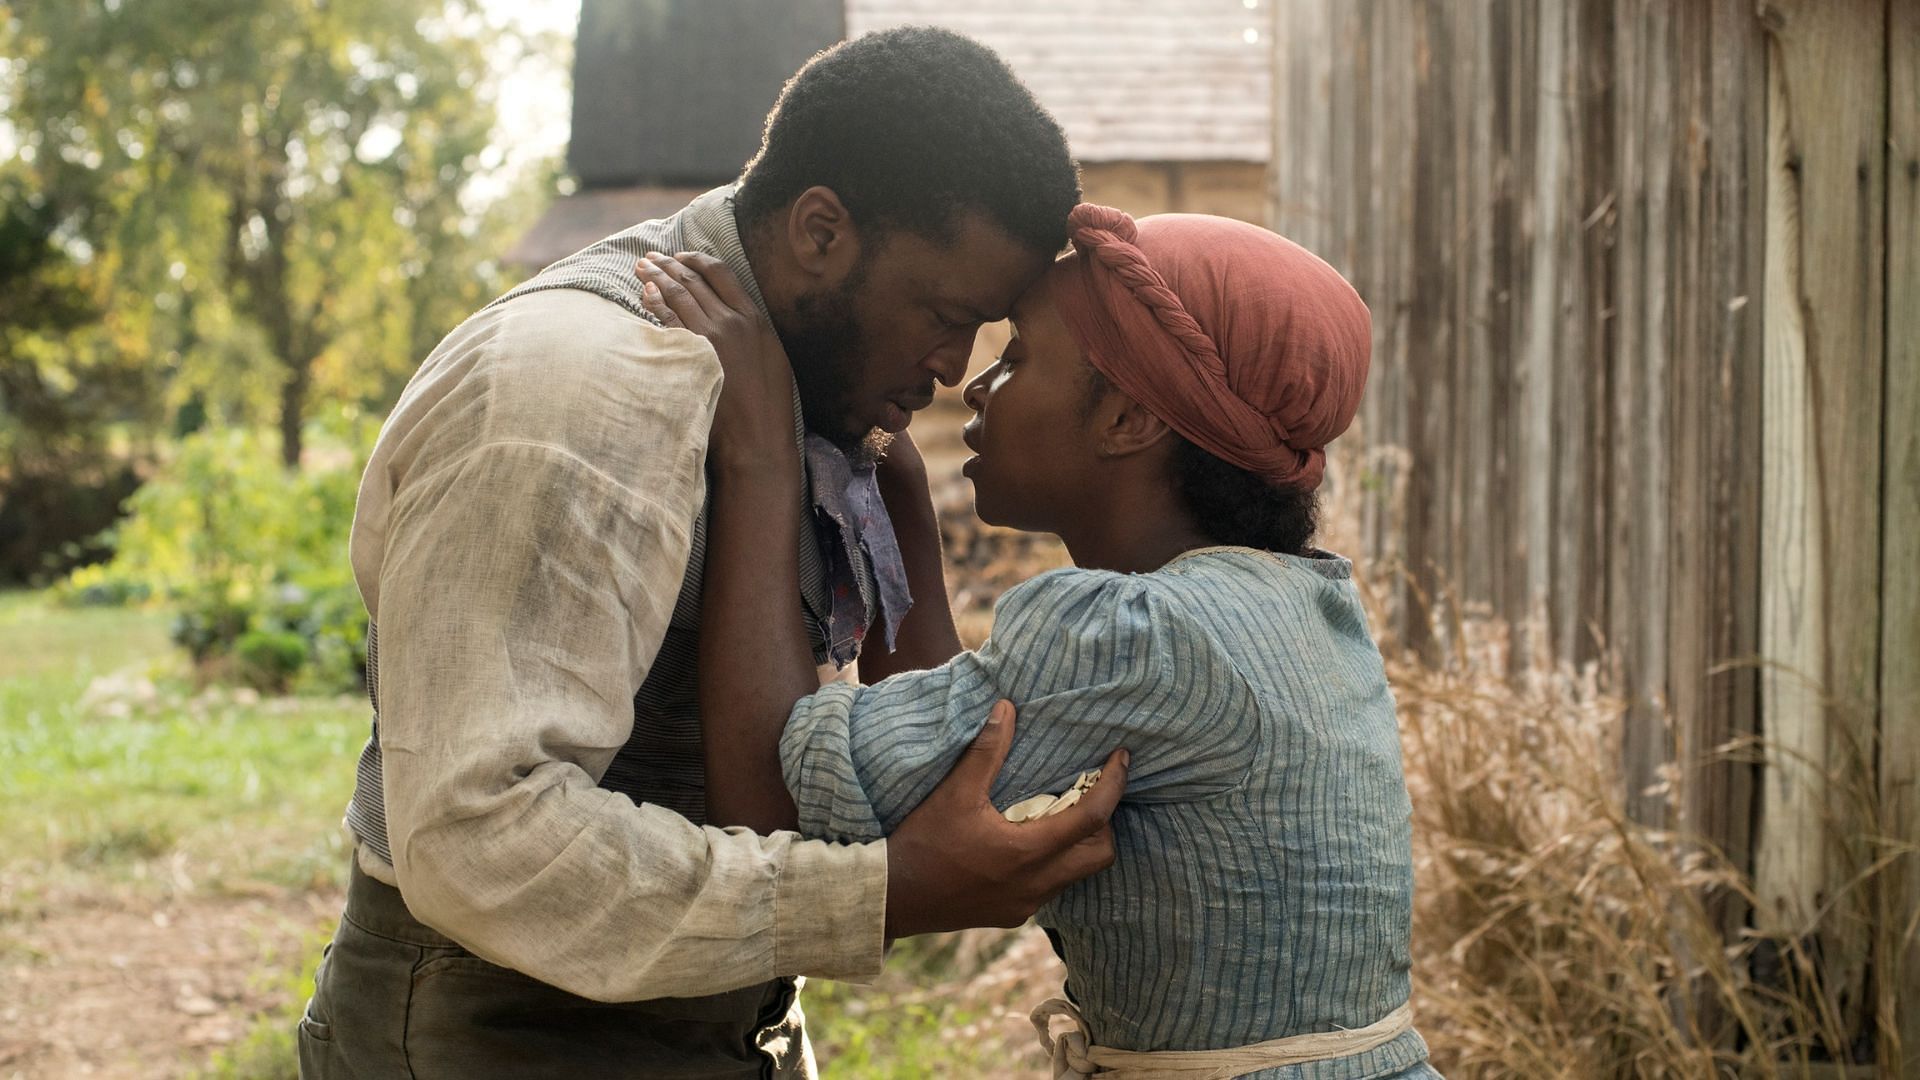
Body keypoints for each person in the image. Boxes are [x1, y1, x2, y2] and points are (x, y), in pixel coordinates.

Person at [297, 28, 1129, 1080]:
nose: (957, 369)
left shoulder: (802, 384)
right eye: (942, 314)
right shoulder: (580, 390)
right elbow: (479, 835)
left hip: (707, 1020)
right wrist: (877, 894)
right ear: (821, 229)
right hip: (507, 1032)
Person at [638, 204, 1440, 1078]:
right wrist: (896, 483)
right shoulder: (1300, 605)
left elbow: (776, 802)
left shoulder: (1138, 637)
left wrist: (758, 454)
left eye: (1017, 355)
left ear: (1129, 418)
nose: (974, 386)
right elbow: (956, 749)